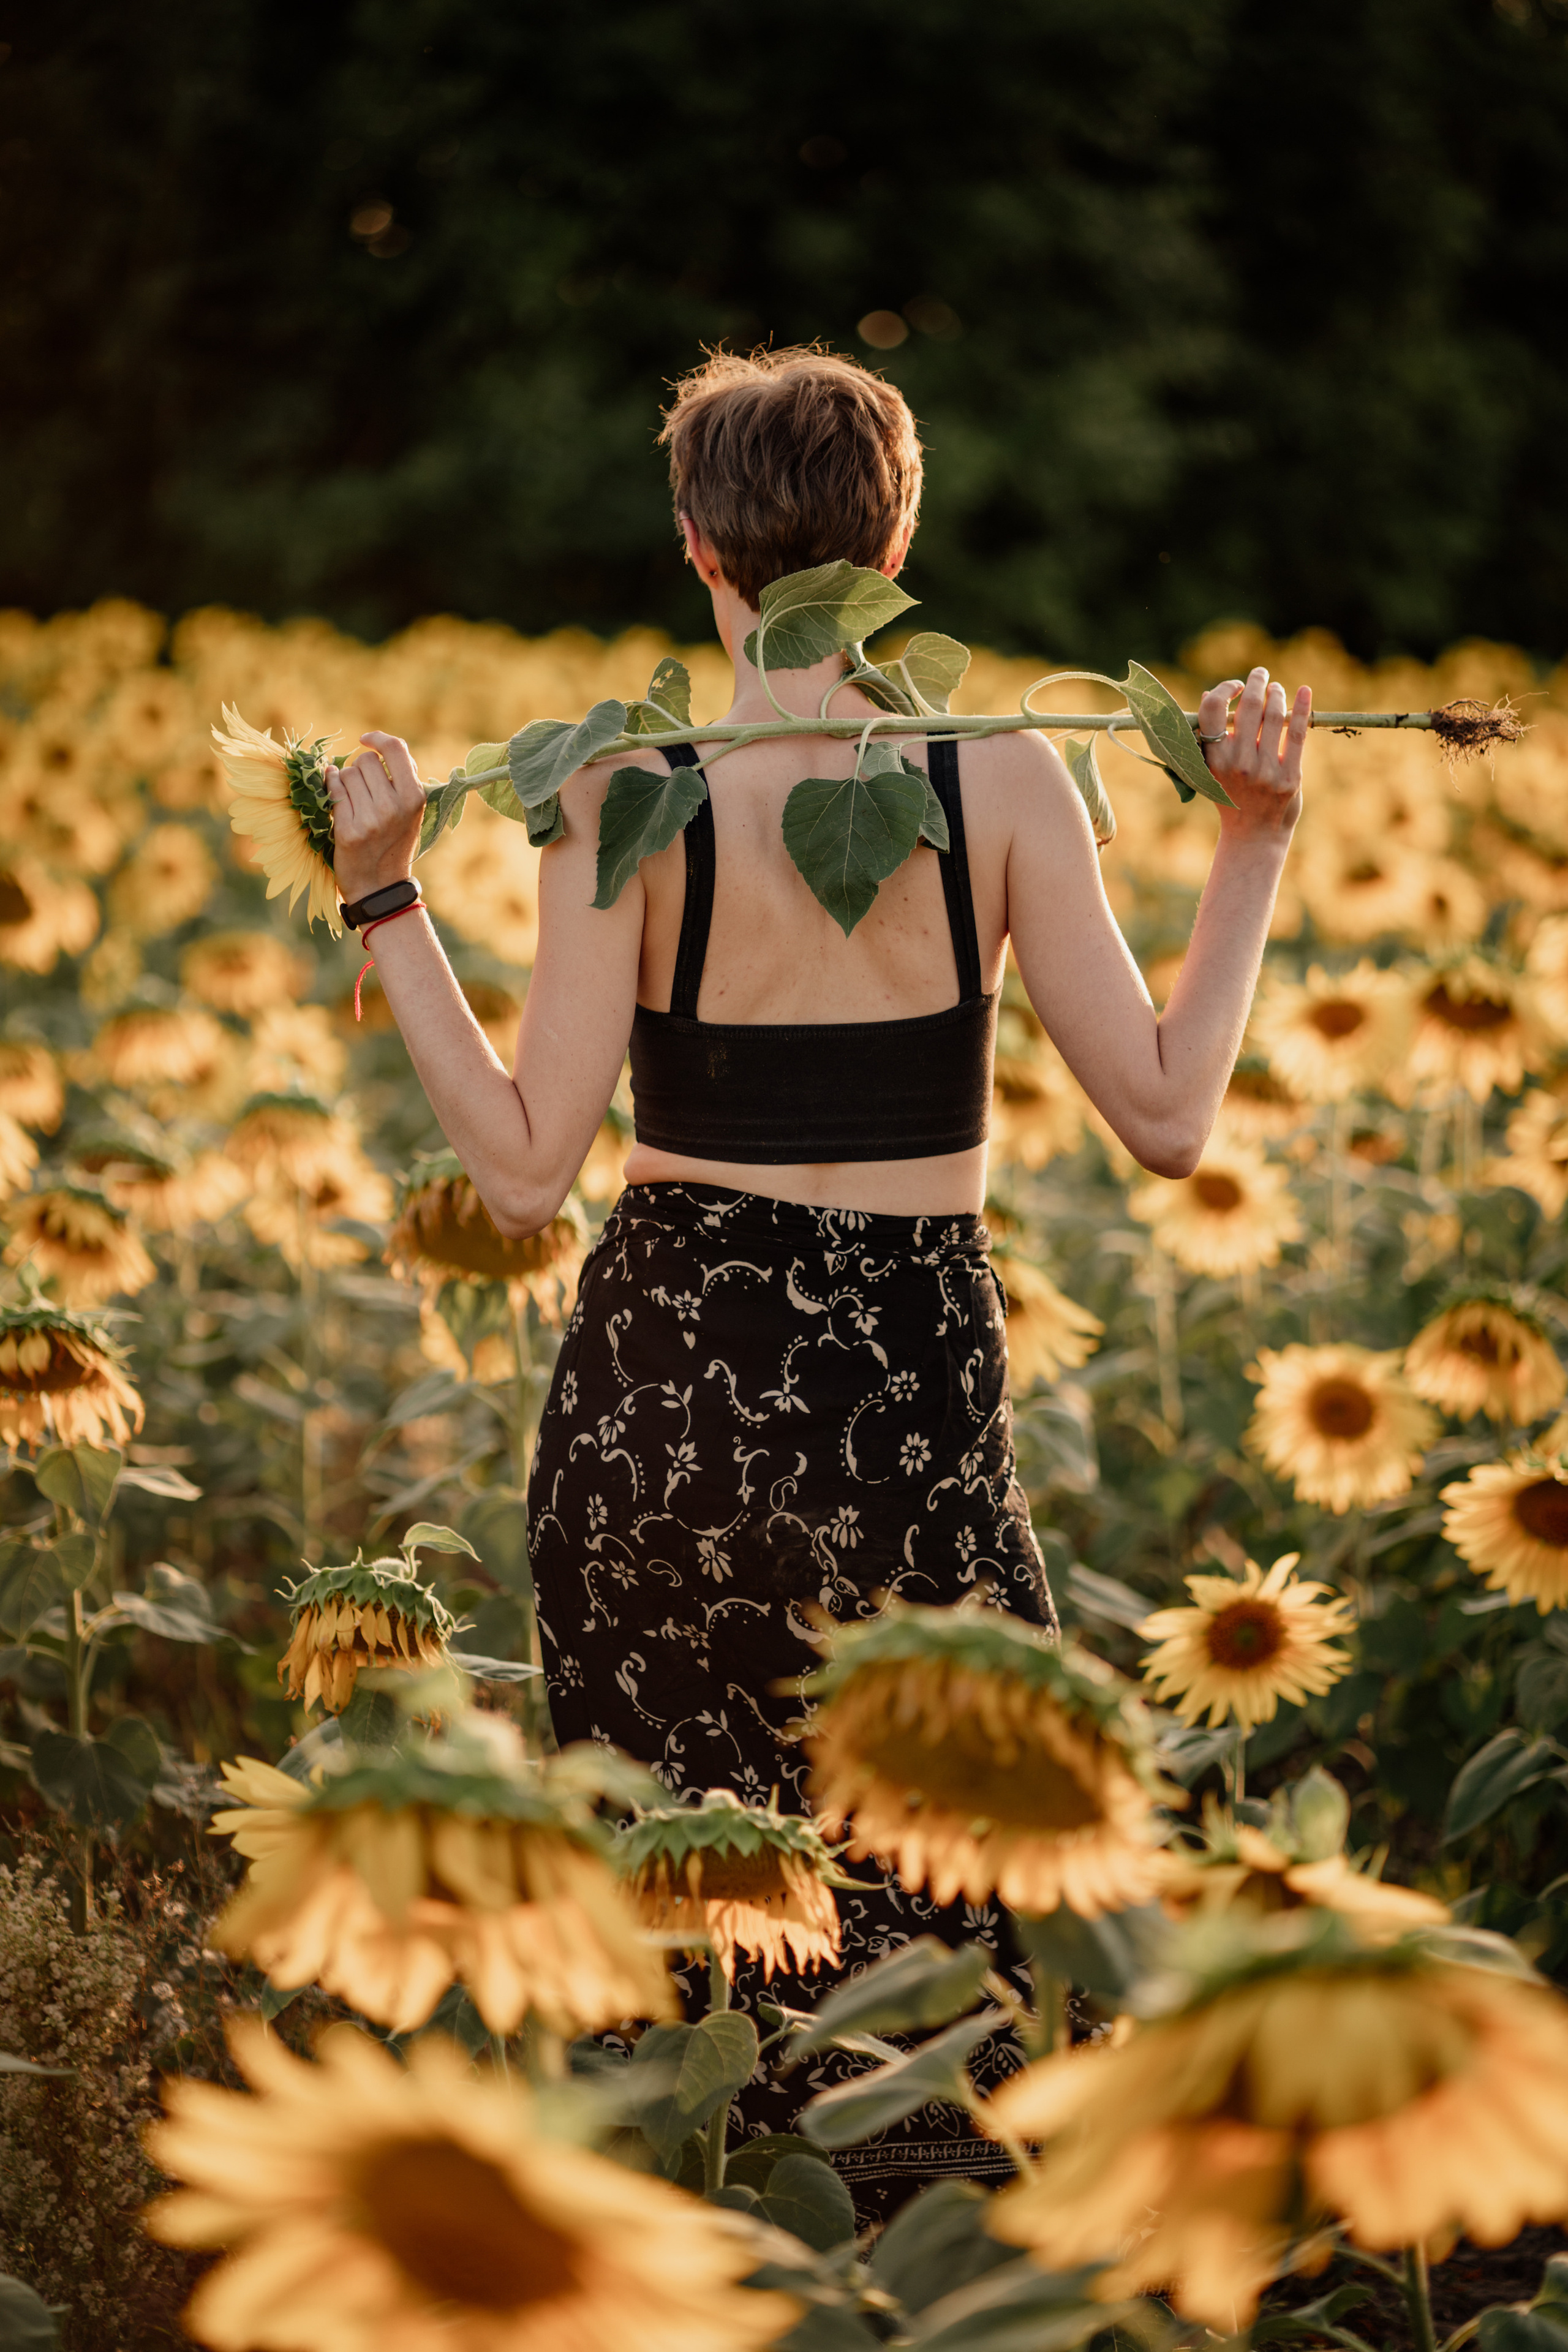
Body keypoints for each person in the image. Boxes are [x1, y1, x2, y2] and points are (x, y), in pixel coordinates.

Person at [325, 344, 1310, 2213]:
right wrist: (1250, 840)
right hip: (909, 1412)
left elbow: (527, 1172)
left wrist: (390, 898)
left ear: (694, 546)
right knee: (952, 1945)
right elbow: (1174, 1121)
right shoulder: (1004, 772)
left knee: (684, 1944)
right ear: (895, 539)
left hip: (664, 1410)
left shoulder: (625, 780)